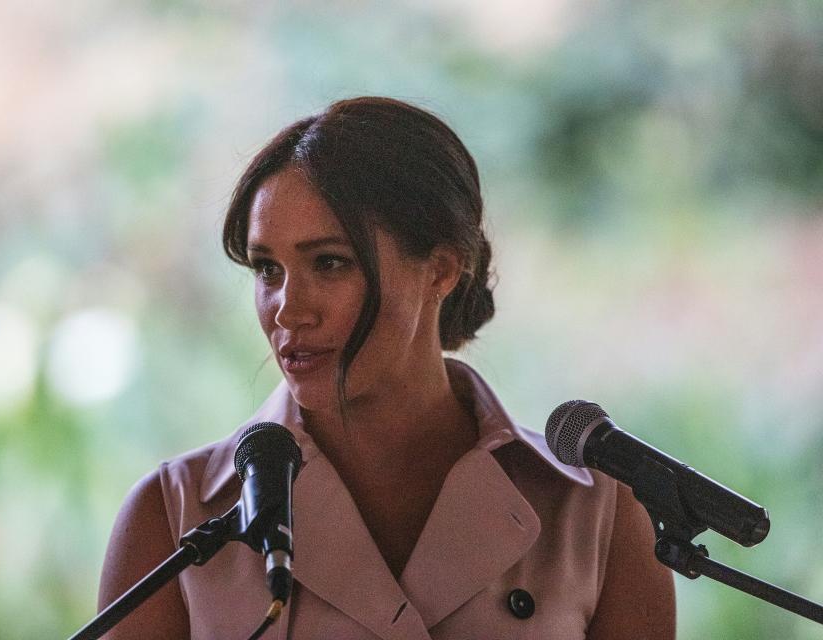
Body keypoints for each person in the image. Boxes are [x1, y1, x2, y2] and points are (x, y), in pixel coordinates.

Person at [97, 97, 676, 639]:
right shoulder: (173, 518)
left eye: (329, 263)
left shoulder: (596, 513)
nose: (288, 310)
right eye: (267, 270)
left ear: (442, 270)